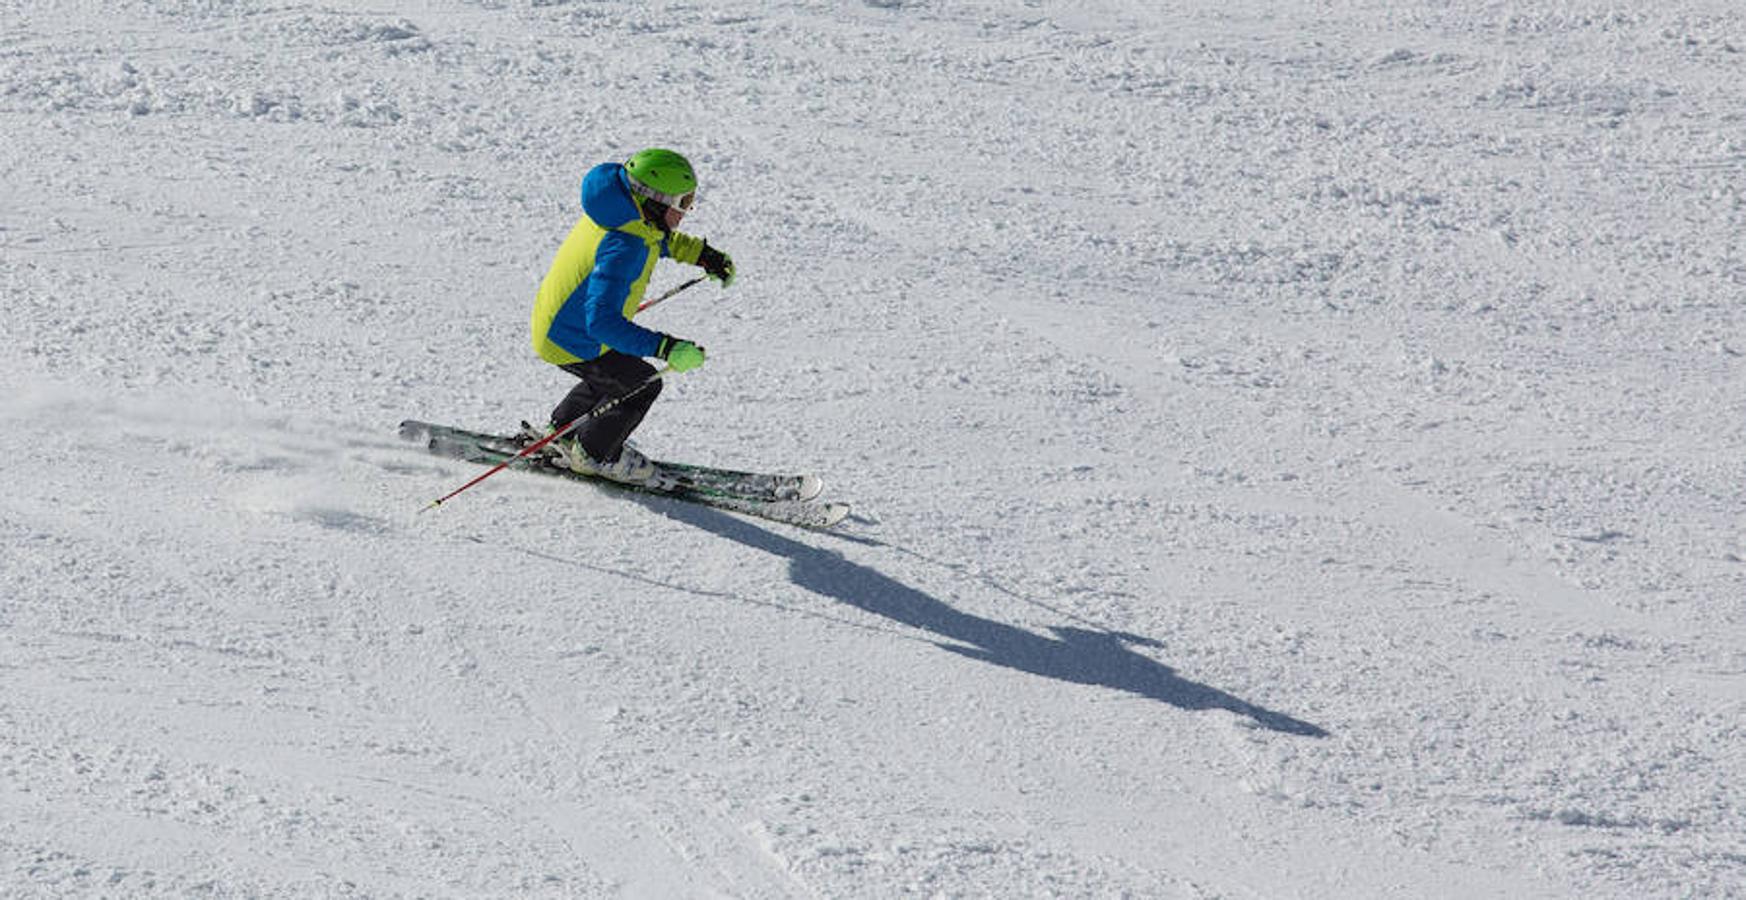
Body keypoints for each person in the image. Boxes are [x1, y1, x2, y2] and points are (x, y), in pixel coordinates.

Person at [529, 148, 735, 482]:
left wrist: (702, 255)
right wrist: (667, 348)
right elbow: (602, 324)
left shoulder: (622, 215)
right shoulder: (624, 245)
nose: (687, 211)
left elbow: (657, 241)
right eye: (682, 202)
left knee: (612, 374)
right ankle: (595, 455)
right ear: (654, 200)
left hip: (559, 323)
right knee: (639, 384)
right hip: (574, 335)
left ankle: (563, 432)